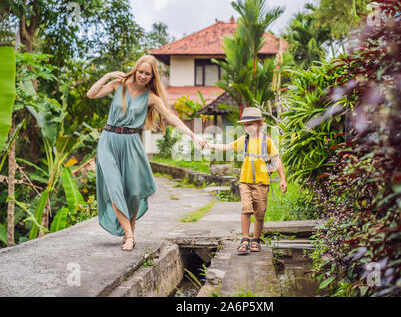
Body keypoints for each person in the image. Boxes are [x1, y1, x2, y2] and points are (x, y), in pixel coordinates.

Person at [87, 55, 207, 251]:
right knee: (115, 188)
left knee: (134, 191)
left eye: (147, 74)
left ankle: (130, 229)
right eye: (140, 72)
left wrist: (193, 135)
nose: (142, 76)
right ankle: (129, 236)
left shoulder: (151, 98)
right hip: (108, 141)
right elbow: (91, 94)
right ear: (135, 70)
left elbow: (171, 118)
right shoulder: (119, 85)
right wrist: (107, 75)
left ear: (152, 77)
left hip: (131, 143)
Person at [206, 107, 287, 254]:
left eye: (249, 124)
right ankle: (245, 239)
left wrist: (283, 179)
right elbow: (226, 147)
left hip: (262, 183)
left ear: (259, 124)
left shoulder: (267, 141)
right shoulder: (244, 140)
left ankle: (255, 240)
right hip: (245, 181)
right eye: (244, 124)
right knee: (246, 208)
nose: (246, 127)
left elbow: (276, 159)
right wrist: (210, 145)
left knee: (260, 213)